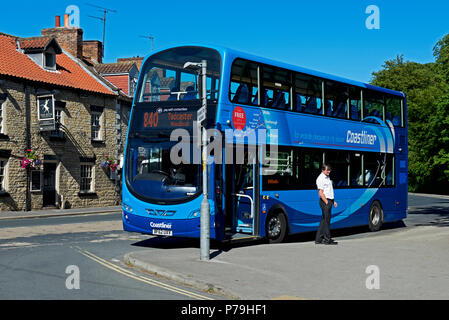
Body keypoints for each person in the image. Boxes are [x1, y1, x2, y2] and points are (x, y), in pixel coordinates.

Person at [315, 163, 338, 245]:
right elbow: (320, 193)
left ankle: (318, 239)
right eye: (327, 170)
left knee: (324, 221)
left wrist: (333, 201)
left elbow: (329, 190)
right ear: (323, 170)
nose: (329, 171)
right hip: (325, 201)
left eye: (329, 170)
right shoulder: (320, 178)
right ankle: (327, 240)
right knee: (327, 221)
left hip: (329, 200)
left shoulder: (327, 177)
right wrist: (327, 202)